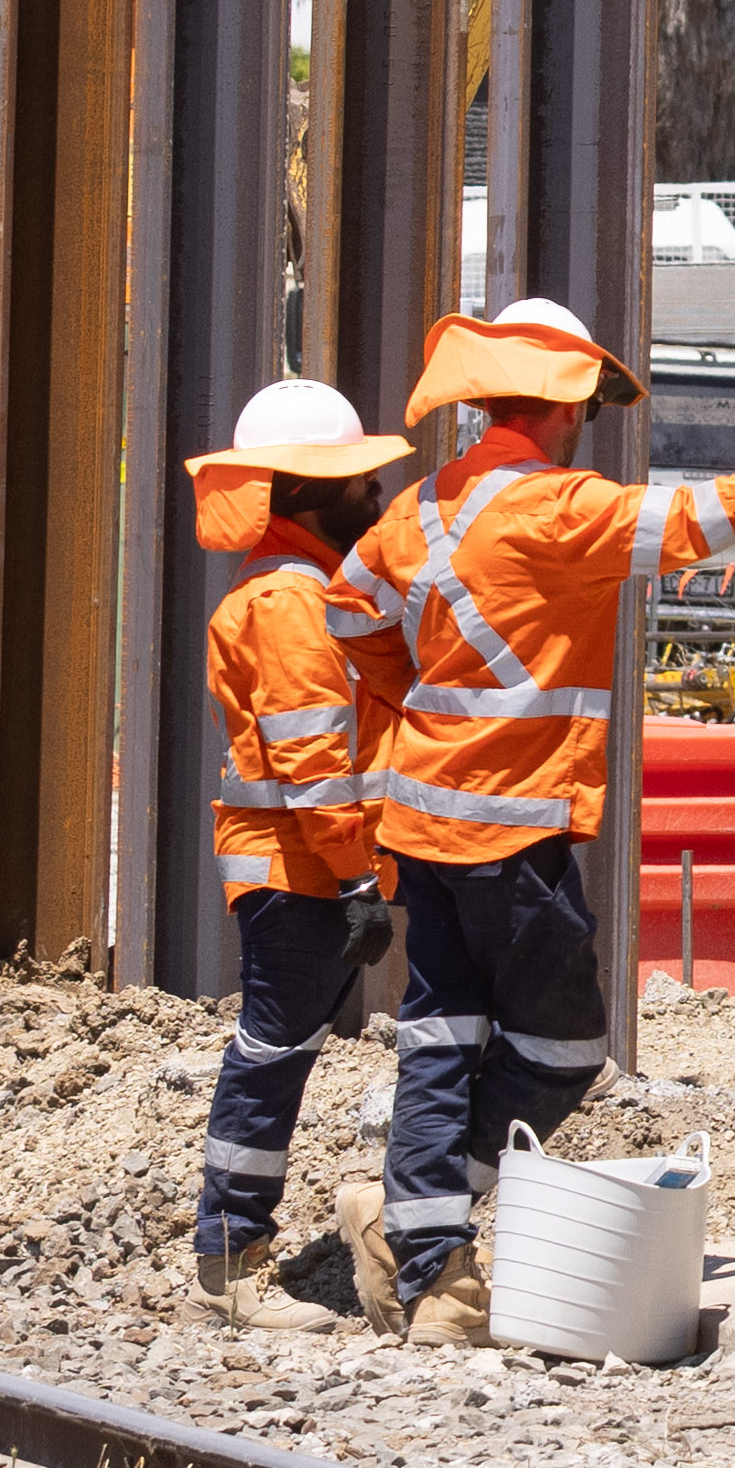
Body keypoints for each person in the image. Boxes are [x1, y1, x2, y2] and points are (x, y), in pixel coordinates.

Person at [329, 306, 735, 1349]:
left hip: (422, 826)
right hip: (510, 831)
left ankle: (422, 1247)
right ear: (569, 407)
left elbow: (351, 613)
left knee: (442, 1040)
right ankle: (420, 1241)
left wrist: (420, 697)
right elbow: (709, 518)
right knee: (563, 1046)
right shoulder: (559, 508)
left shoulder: (424, 507)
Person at [177, 372, 420, 1319]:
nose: (376, 496)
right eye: (361, 483)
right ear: (314, 491)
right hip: (300, 870)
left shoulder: (310, 589)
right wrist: (357, 877)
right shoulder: (289, 603)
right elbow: (313, 762)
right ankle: (231, 1260)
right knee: (273, 1051)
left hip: (311, 865)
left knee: (284, 1046)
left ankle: (234, 1248)